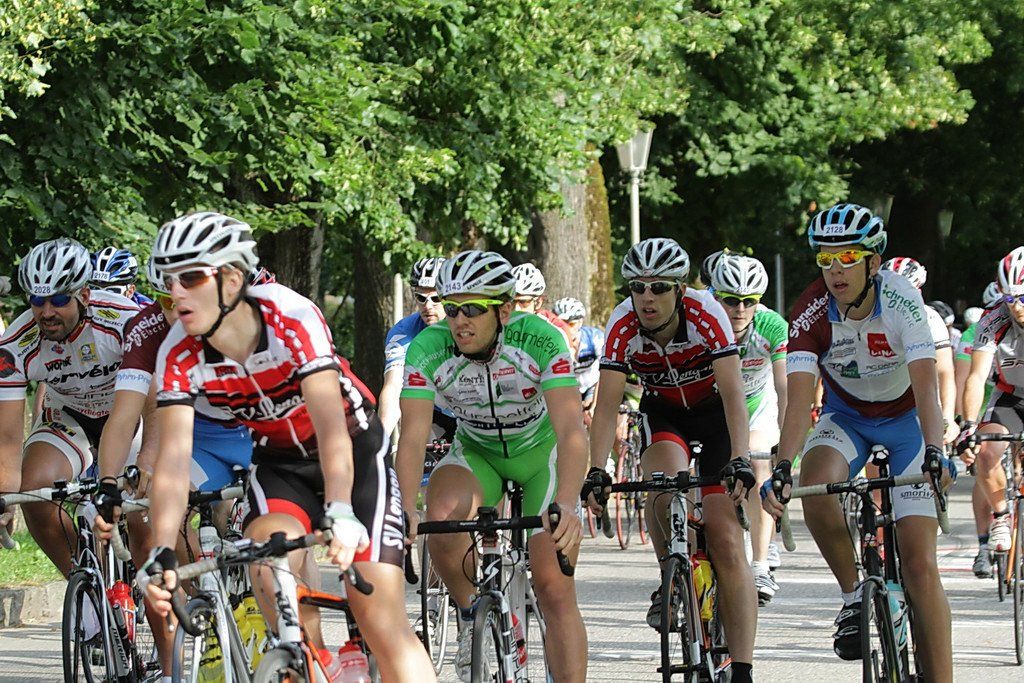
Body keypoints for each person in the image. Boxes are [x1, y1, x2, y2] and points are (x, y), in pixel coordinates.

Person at [138, 212, 433, 681]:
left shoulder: (289, 317)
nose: (176, 293)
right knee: (265, 561)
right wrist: (160, 551)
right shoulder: (178, 351)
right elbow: (173, 460)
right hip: (280, 464)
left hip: (353, 452)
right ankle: (313, 660)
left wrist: (340, 510)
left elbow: (331, 428)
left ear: (232, 279)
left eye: (190, 277)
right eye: (169, 280)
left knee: (379, 616)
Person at [761, 203, 954, 682]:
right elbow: (798, 403)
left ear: (873, 262)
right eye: (825, 259)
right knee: (815, 483)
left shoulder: (902, 299)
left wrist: (936, 450)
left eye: (848, 257)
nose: (835, 270)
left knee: (919, 566)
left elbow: (927, 389)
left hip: (906, 423)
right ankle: (853, 595)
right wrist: (783, 466)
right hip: (846, 419)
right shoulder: (809, 310)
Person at [395, 250, 588, 683]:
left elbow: (572, 430)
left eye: (473, 310)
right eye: (451, 309)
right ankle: (472, 619)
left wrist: (566, 502)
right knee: (441, 517)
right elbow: (412, 437)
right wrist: (406, 506)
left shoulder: (541, 339)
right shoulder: (427, 348)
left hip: (541, 455)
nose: (459, 321)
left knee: (554, 586)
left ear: (504, 310)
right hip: (477, 451)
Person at [584, 237, 757, 683]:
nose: (647, 298)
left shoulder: (707, 314)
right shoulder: (622, 324)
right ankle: (672, 575)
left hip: (716, 417)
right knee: (661, 487)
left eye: (659, 287)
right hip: (665, 414)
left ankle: (742, 667)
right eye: (637, 287)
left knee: (725, 537)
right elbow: (606, 405)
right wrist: (597, 468)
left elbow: (734, 393)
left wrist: (740, 457)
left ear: (680, 290)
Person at [0, 238, 141, 575]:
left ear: (85, 296)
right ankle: (86, 585)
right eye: (37, 300)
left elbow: (154, 398)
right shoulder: (15, 345)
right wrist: (5, 498)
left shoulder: (124, 320)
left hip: (126, 413)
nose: (46, 312)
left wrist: (151, 455)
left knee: (143, 520)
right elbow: (7, 437)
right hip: (69, 414)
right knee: (34, 492)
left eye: (60, 299)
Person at [710, 253, 788, 604]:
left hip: (758, 407)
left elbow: (785, 387)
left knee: (757, 465)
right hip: (714, 408)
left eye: (749, 301)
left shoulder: (771, 326)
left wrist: (786, 450)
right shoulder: (703, 323)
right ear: (715, 296)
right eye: (730, 300)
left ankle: (759, 563)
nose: (740, 309)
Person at [958, 247, 1024, 562]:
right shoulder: (994, 318)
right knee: (985, 451)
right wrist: (968, 426)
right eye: (1010, 298)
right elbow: (976, 376)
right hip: (1009, 394)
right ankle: (1000, 516)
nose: (1017, 307)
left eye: (1023, 298)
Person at [878, 258, 958, 444]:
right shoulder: (871, 315)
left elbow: (944, 372)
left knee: (932, 457)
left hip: (920, 401)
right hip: (882, 401)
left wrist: (948, 416)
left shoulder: (931, 318)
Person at [953, 282, 1002, 576]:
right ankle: (983, 544)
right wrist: (964, 423)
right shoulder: (975, 332)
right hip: (984, 403)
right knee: (985, 465)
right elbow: (963, 379)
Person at [377, 257, 453, 442]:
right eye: (421, 298)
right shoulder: (403, 332)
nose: (428, 306)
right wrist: (381, 440)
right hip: (436, 413)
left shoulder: (468, 325)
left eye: (436, 298)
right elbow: (394, 386)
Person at [510, 262, 574, 342]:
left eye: (523, 302)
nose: (516, 308)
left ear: (538, 303)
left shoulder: (555, 331)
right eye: (511, 302)